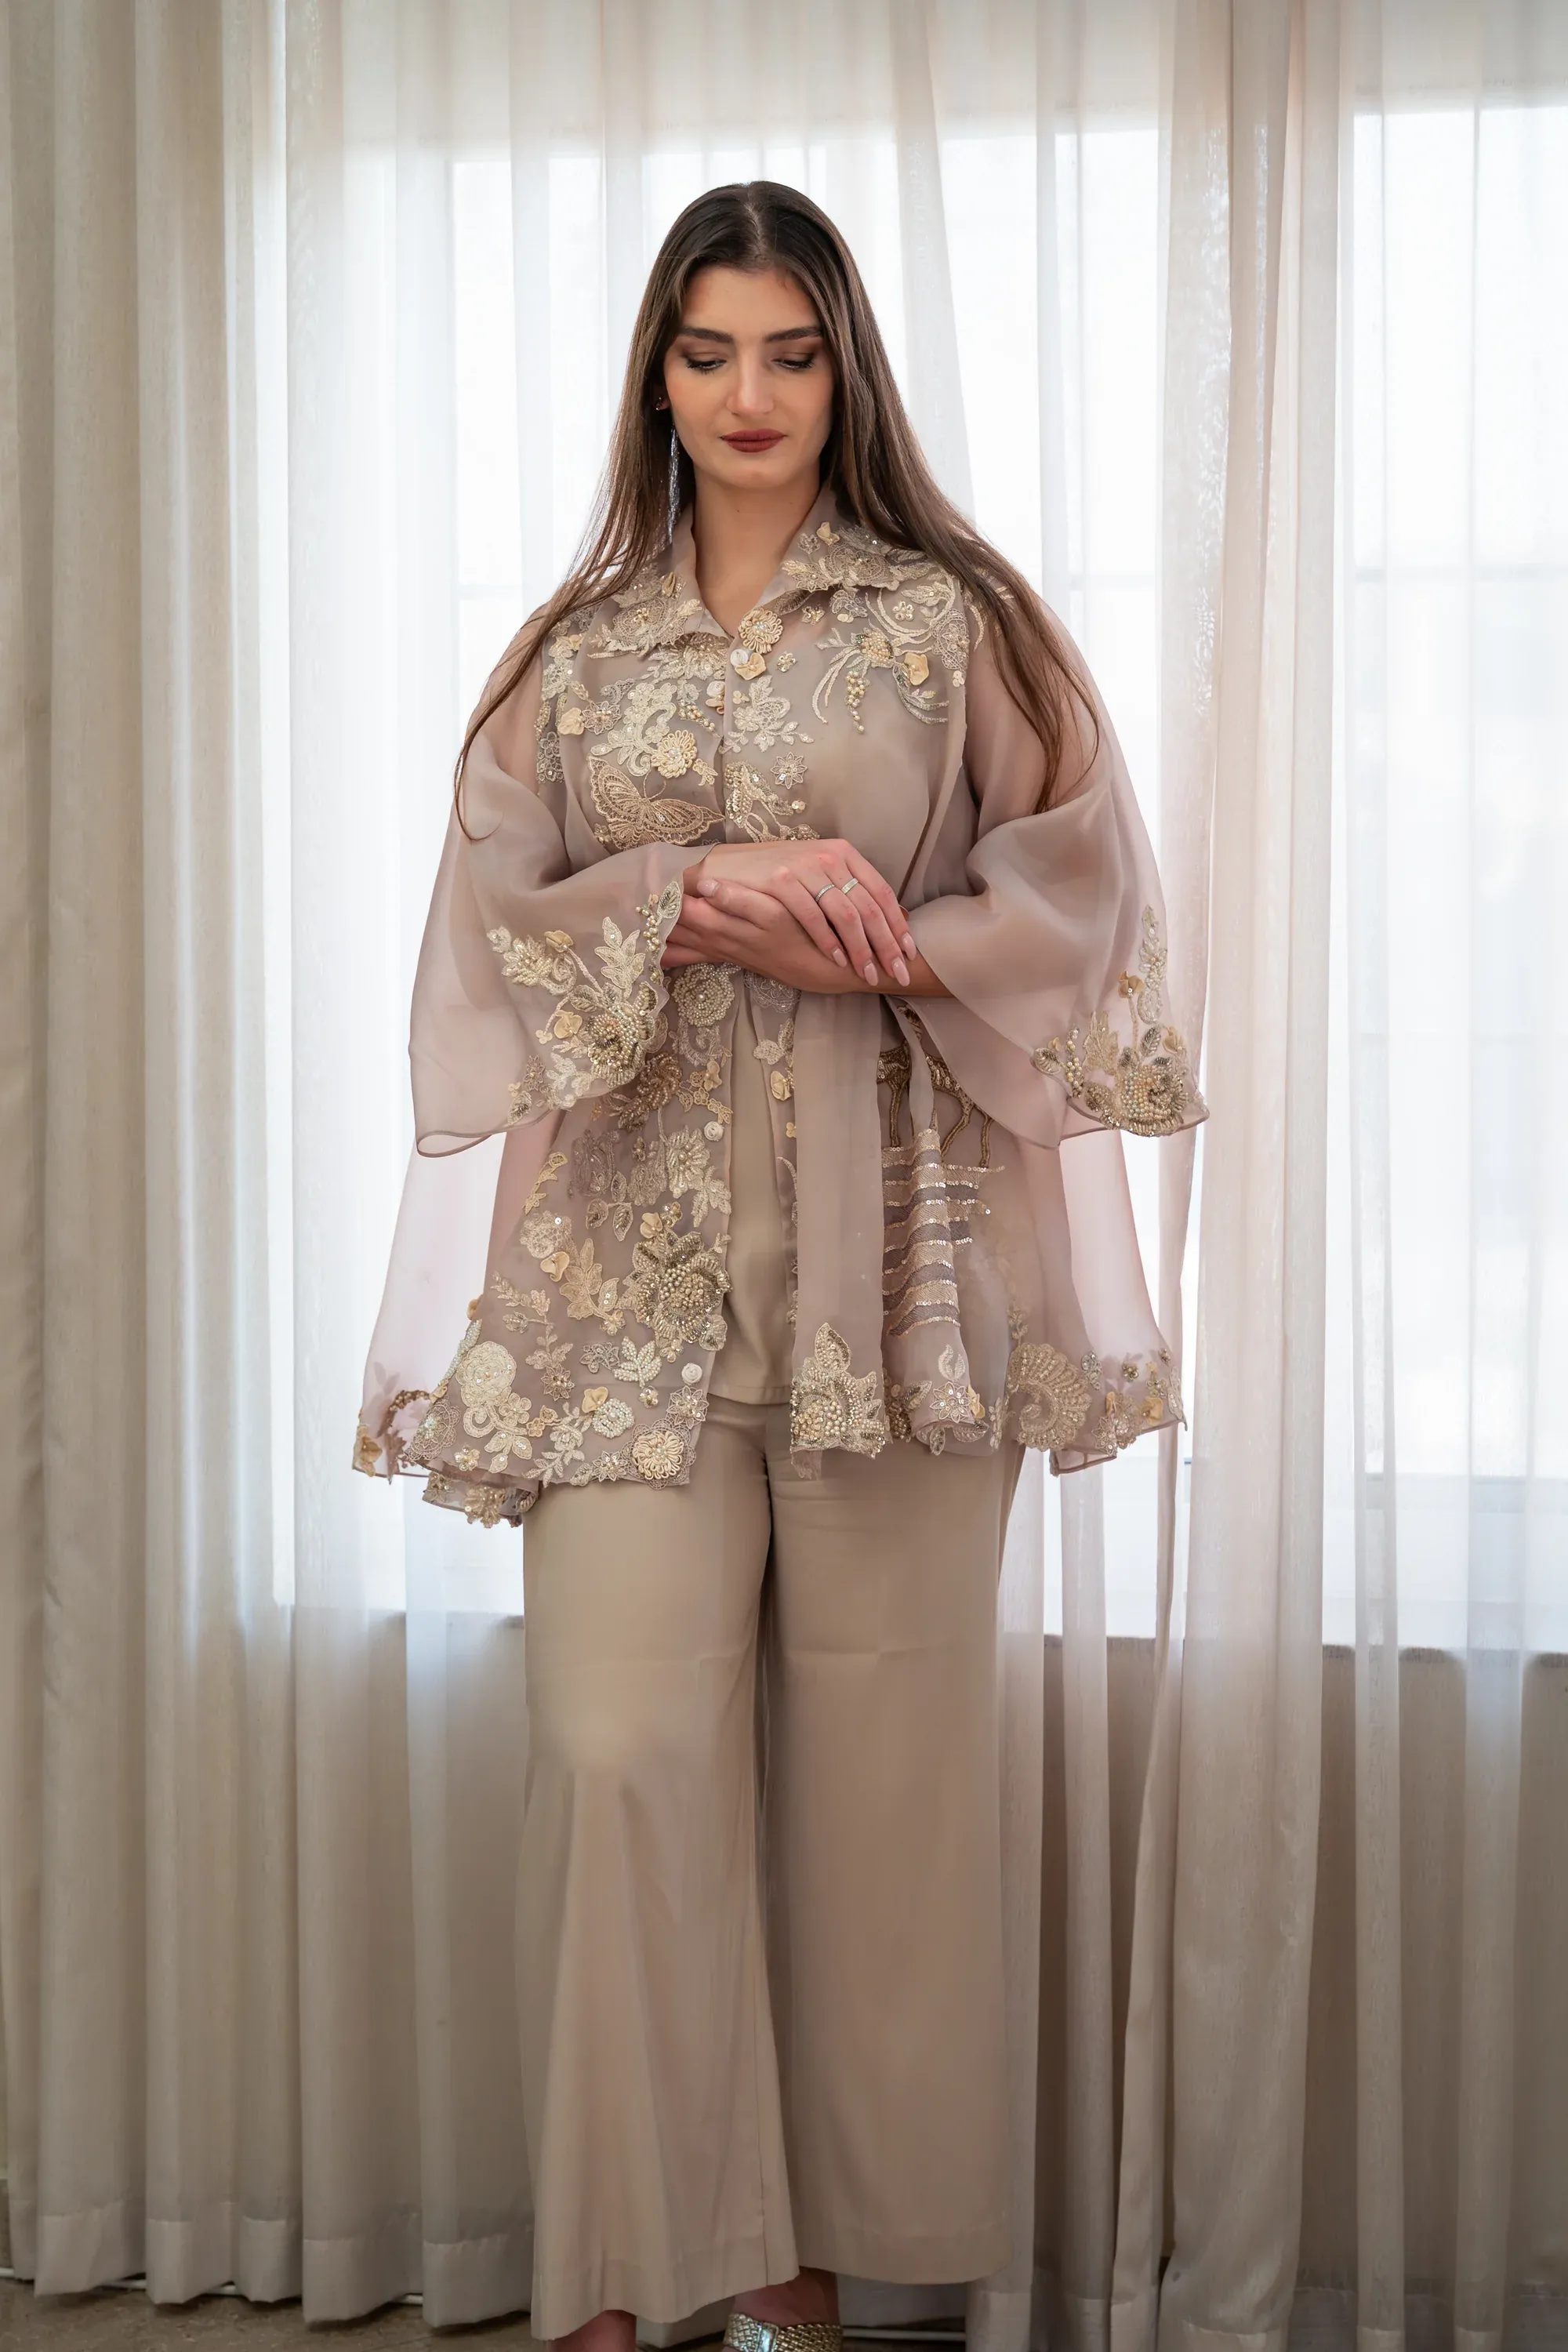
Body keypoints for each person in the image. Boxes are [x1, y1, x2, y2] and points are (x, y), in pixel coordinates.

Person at [355, 180, 1204, 2352]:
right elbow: (489, 931)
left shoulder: (952, 626)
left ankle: (798, 2280)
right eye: (710, 350)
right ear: (656, 368)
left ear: (847, 370)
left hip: (896, 1302)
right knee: (619, 1753)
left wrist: (878, 930)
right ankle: (633, 2276)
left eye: (792, 353)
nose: (750, 394)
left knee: (883, 1791)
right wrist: (697, 888)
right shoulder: (572, 655)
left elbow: (1083, 893)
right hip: (619, 1304)